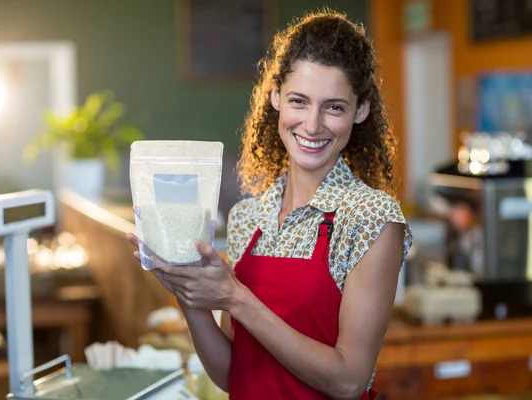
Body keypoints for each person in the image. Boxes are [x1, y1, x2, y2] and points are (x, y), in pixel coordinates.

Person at [127, 9, 412, 400]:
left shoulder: (372, 219)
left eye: (334, 107)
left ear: (360, 110)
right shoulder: (247, 218)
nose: (312, 125)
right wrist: (186, 289)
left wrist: (236, 298)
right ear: (275, 96)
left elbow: (349, 381)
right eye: (299, 101)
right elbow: (233, 374)